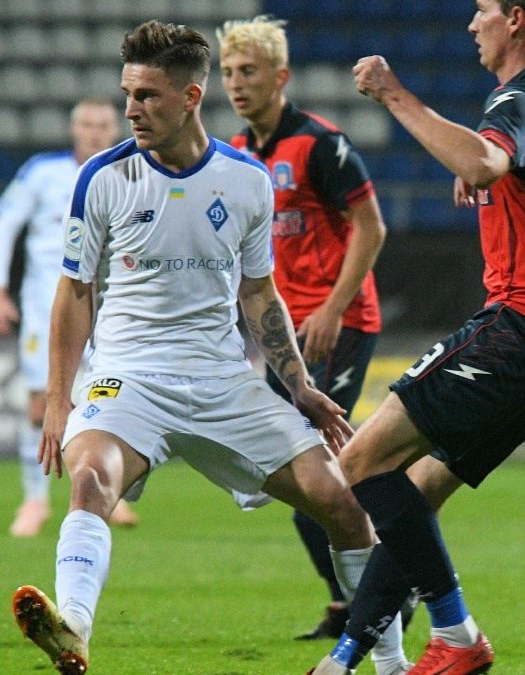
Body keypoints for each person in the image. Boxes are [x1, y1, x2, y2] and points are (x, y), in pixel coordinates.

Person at [9, 21, 393, 674]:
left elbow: (260, 293)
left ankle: (391, 663)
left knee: (342, 503)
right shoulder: (102, 177)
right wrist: (58, 396)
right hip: (128, 378)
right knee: (91, 477)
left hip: (221, 381)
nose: (132, 109)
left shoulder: (246, 180)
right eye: (128, 95)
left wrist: (299, 386)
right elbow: (74, 292)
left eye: (147, 96)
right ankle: (73, 624)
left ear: (190, 97)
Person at [311, 1, 525, 673]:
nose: (471, 23)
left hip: (523, 324)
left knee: (362, 460)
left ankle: (456, 634)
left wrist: (393, 93)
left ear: (515, 19)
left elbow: (484, 162)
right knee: (415, 491)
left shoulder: (520, 99)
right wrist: (509, 182)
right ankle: (344, 660)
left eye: (482, 9)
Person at [215, 15, 392, 643]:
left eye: (249, 71)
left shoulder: (321, 144)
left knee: (320, 479)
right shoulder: (235, 152)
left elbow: (371, 227)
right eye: (228, 72)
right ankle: (355, 603)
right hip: (285, 337)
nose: (236, 83)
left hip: (338, 326)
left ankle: (382, 598)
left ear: (280, 77)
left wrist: (334, 308)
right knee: (308, 487)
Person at [0, 98, 139, 537]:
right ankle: (35, 500)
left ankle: (105, 489)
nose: (94, 132)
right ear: (74, 129)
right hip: (45, 309)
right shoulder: (41, 172)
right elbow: (4, 227)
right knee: (41, 406)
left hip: (110, 308)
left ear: (115, 129)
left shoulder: (132, 173)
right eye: (87, 124)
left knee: (107, 404)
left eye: (103, 125)